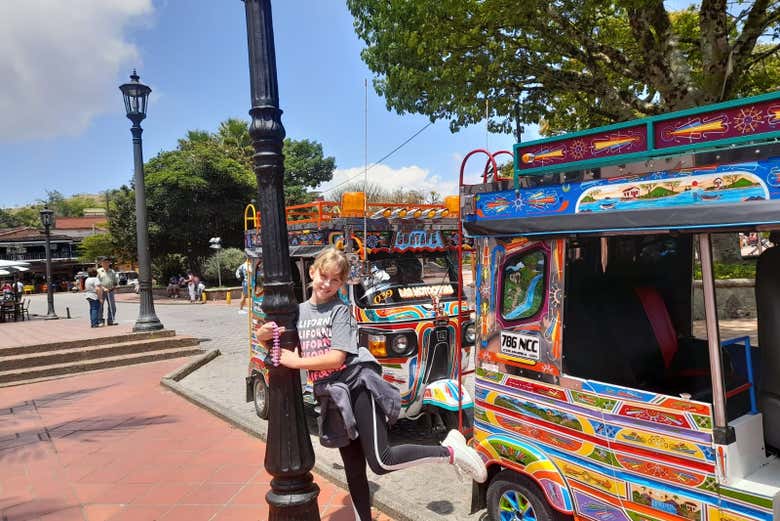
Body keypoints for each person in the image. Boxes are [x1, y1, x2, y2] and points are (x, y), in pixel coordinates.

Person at [255, 248, 485, 520]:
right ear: (312, 272)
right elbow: (278, 347)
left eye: (335, 280)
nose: (327, 284)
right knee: (353, 469)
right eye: (324, 277)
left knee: (381, 460)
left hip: (357, 387)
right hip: (332, 396)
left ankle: (450, 451)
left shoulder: (340, 311)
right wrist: (262, 336)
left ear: (342, 283)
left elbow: (336, 358)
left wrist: (296, 363)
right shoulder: (297, 312)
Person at [96, 258, 119, 325]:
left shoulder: (112, 271)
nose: (106, 264)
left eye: (107, 262)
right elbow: (97, 282)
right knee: (100, 306)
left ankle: (111, 320)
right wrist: (103, 288)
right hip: (101, 291)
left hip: (110, 290)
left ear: (109, 263)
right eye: (104, 262)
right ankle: (100, 321)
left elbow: (115, 281)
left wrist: (114, 286)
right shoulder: (99, 271)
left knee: (112, 306)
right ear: (102, 263)